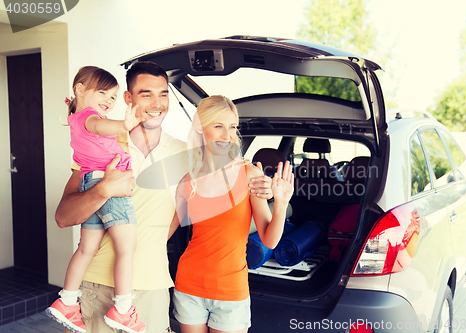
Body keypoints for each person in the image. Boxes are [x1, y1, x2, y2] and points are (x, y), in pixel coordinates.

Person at [54, 61, 274, 333]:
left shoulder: (186, 156)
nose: (156, 103)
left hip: (154, 287)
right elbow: (63, 217)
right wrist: (103, 189)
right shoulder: (100, 146)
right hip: (97, 284)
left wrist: (260, 182)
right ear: (128, 98)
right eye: (146, 94)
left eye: (163, 94)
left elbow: (228, 164)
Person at [170, 95, 294, 333]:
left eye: (232, 127)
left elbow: (269, 240)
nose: (227, 135)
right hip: (188, 286)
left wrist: (280, 202)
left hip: (230, 292)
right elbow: (165, 232)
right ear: (200, 128)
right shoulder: (187, 181)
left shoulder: (249, 174)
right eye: (218, 126)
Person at [47, 66, 146, 333]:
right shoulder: (90, 117)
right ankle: (124, 309)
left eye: (113, 96)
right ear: (80, 89)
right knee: (126, 248)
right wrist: (124, 124)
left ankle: (67, 300)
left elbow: (76, 118)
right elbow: (100, 126)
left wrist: (74, 104)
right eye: (103, 92)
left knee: (85, 248)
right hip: (109, 183)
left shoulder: (76, 116)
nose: (109, 100)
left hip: (89, 180)